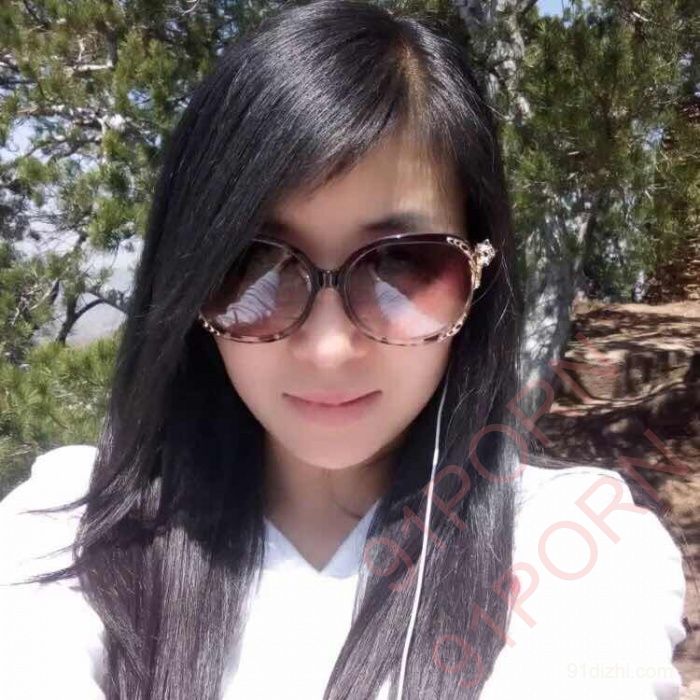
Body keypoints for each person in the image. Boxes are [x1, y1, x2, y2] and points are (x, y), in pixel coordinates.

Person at [0, 1, 688, 698]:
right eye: (252, 266)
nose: (328, 349)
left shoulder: (577, 544)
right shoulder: (72, 527)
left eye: (403, 265)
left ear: (479, 277)